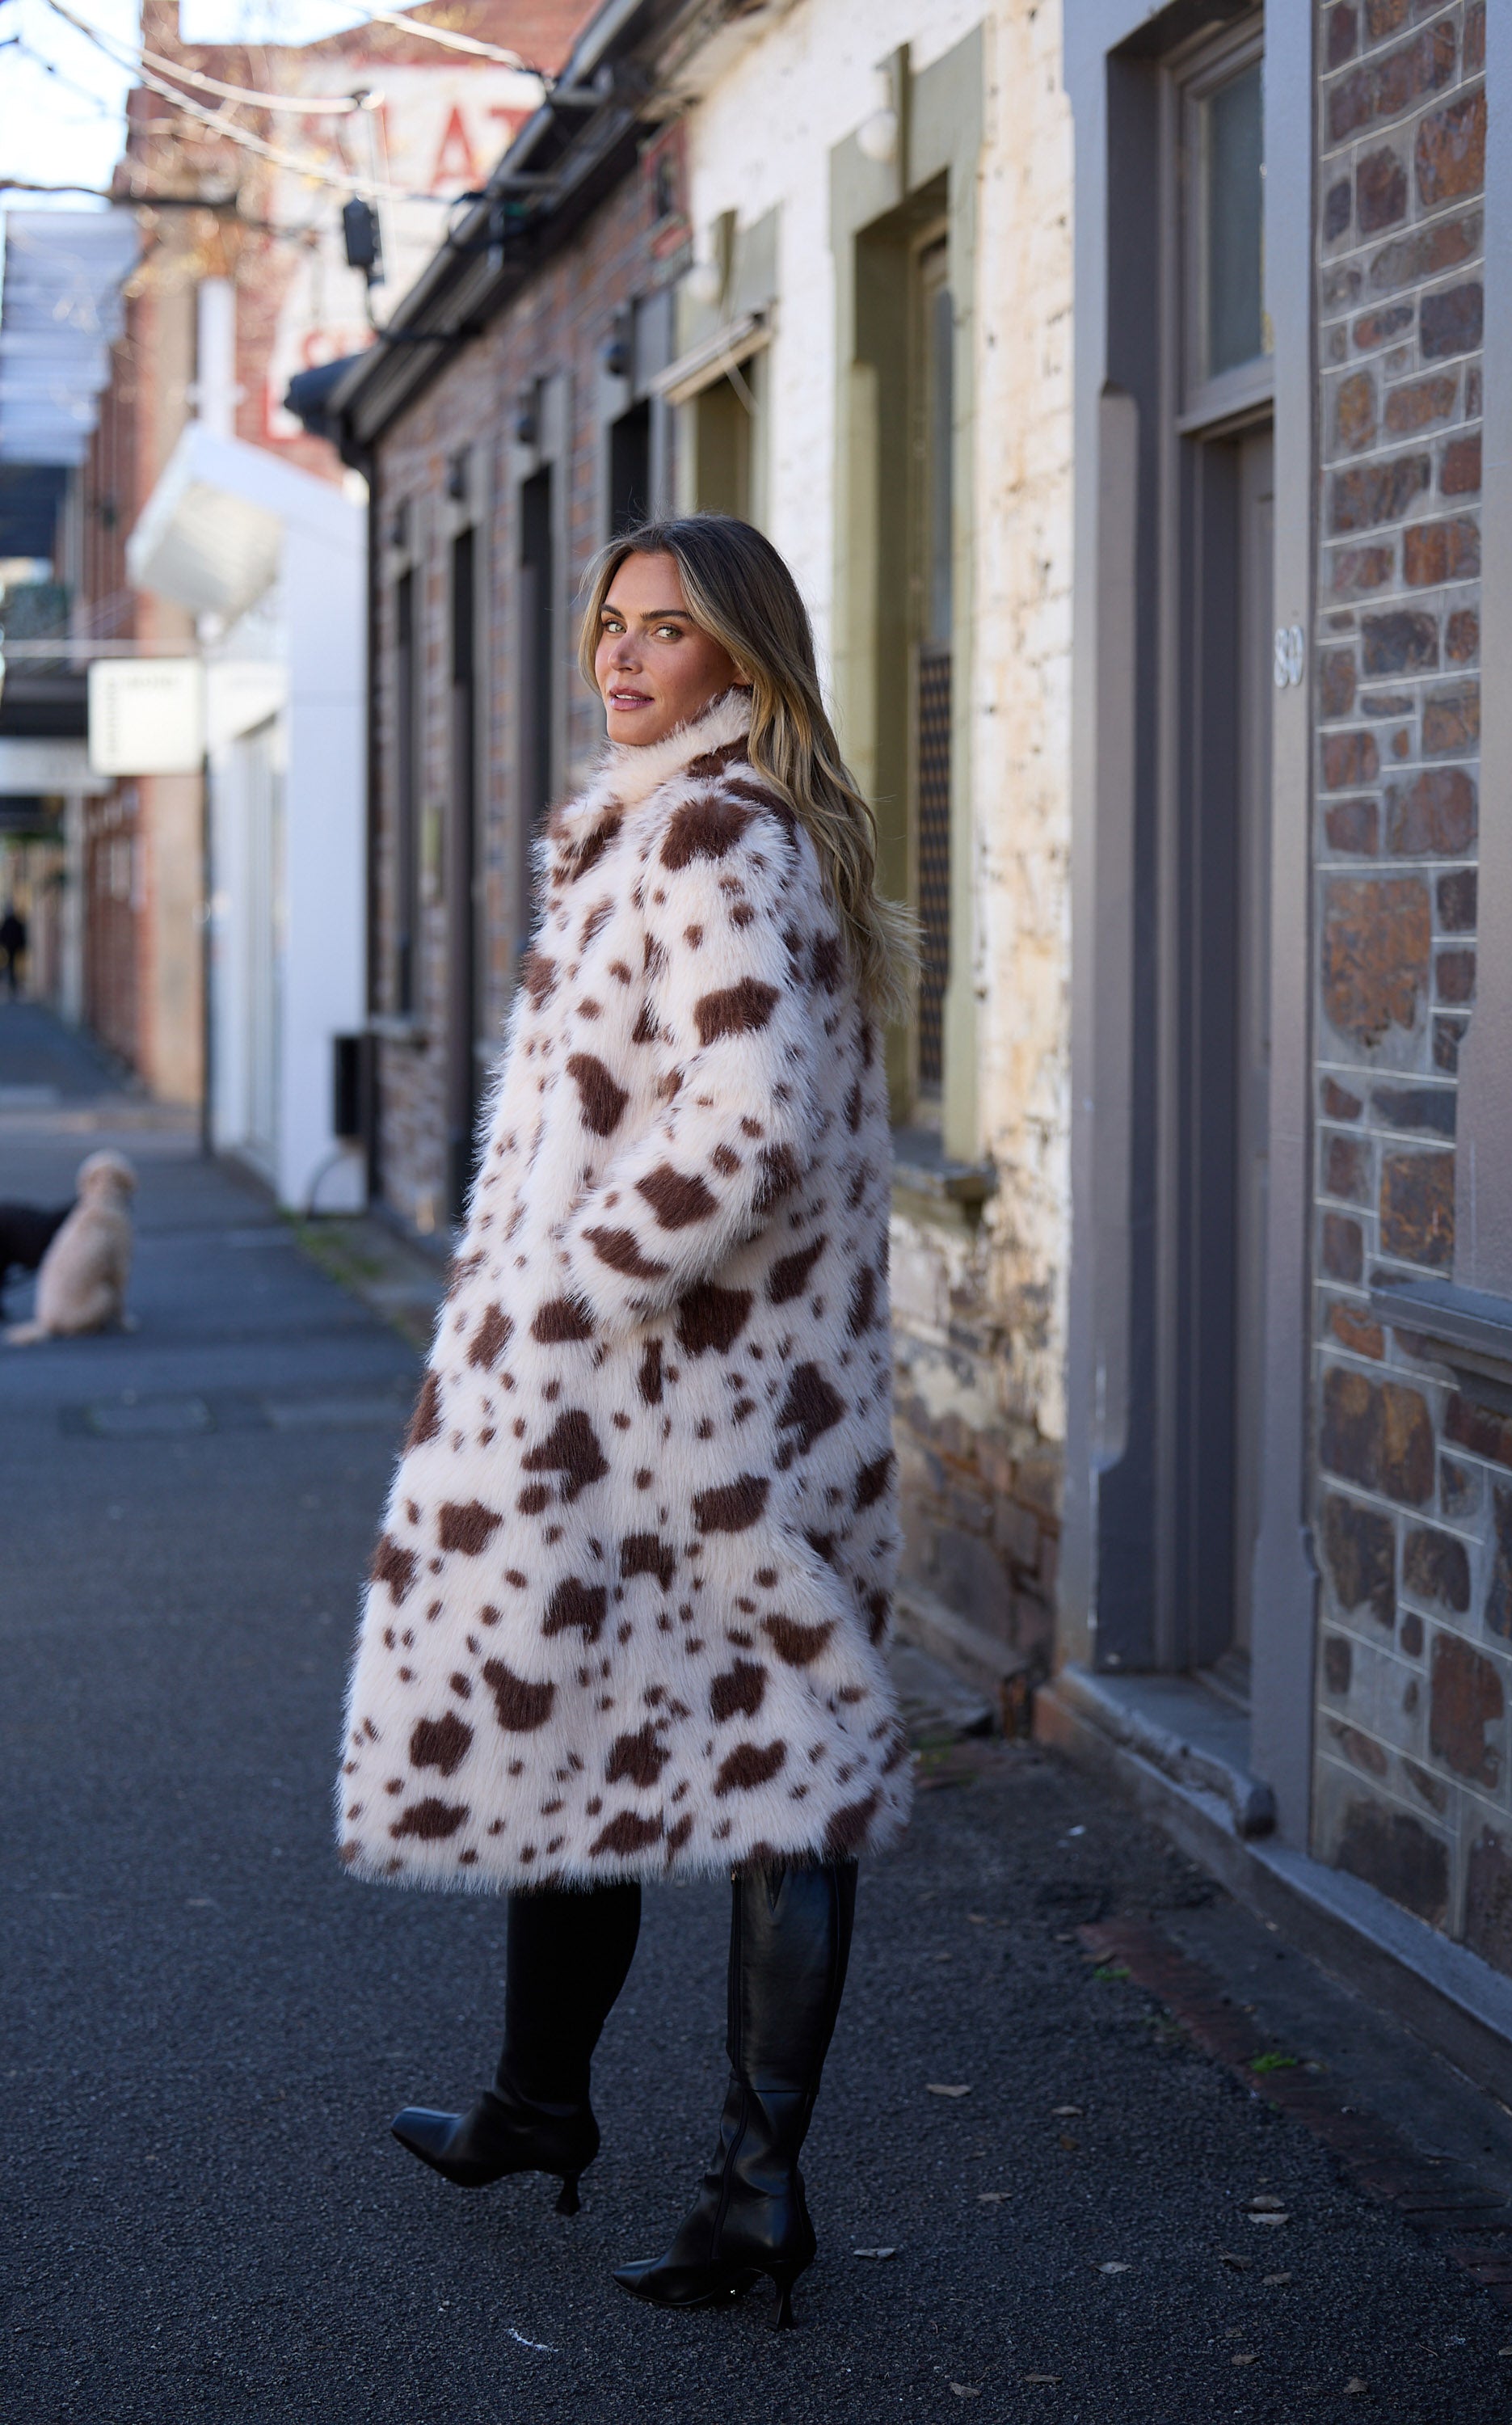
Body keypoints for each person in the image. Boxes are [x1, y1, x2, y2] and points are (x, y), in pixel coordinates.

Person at [339, 513, 916, 2330]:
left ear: (740, 659)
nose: (619, 657)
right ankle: (542, 2101)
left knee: (778, 1776)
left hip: (693, 1402)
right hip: (731, 1389)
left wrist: (567, 1291)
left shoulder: (710, 834)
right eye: (608, 624)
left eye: (663, 631)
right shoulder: (719, 827)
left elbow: (737, 1129)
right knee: (614, 1724)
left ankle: (751, 2189)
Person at [0, 900, 26, 999]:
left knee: (12, 965)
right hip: (13, 947)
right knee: (12, 965)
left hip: (11, 946)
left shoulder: (12, 922)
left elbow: (3, 934)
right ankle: (13, 983)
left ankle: (13, 983)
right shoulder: (13, 921)